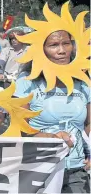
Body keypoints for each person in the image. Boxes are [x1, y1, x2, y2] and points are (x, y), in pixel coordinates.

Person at [15, 29, 90, 193]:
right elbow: (19, 129)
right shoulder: (27, 82)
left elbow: (89, 123)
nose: (62, 50)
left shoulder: (84, 82)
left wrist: (88, 152)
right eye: (54, 45)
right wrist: (52, 139)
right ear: (41, 50)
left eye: (66, 43)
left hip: (76, 171)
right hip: (38, 167)